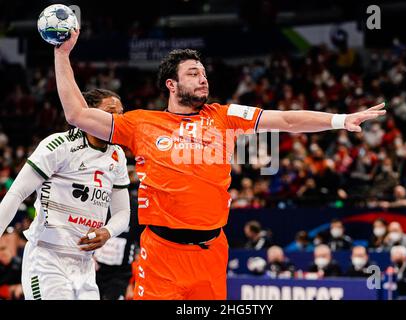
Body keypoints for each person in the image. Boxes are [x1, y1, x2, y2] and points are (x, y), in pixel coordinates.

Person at [54, 29, 386, 300]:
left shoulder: (223, 116)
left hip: (212, 252)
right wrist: (62, 54)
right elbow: (78, 115)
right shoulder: (141, 123)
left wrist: (341, 120)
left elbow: (285, 119)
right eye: (193, 73)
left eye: (204, 73)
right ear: (171, 84)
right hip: (161, 254)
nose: (203, 79)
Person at [0, 89, 131, 300]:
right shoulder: (60, 145)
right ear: (89, 113)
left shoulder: (118, 156)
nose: (118, 119)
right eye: (111, 112)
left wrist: (107, 231)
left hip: (85, 264)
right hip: (47, 260)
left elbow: (123, 212)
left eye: (122, 113)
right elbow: (16, 193)